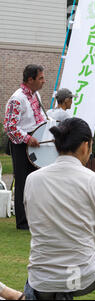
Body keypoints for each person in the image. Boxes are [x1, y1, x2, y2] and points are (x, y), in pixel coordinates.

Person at [23, 117, 95, 300]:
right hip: (82, 278)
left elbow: (36, 222)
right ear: (85, 146)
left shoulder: (32, 180)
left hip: (41, 280)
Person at [3, 64, 46, 230]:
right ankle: (22, 222)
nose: (43, 81)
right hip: (21, 145)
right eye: (40, 78)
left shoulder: (37, 95)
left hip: (36, 143)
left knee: (36, 181)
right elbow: (10, 127)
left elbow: (40, 118)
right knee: (23, 182)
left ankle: (34, 218)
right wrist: (27, 138)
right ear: (30, 80)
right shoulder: (17, 98)